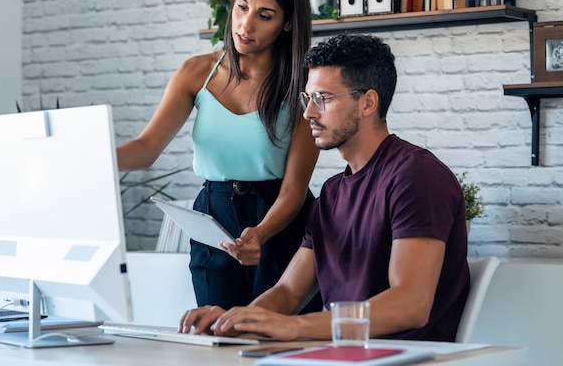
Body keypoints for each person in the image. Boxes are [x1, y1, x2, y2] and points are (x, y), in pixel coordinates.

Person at [180, 33, 470, 342]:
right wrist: (234, 323)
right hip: (341, 357)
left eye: (324, 98)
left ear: (368, 102)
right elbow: (289, 291)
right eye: (308, 98)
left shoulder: (416, 176)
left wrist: (297, 327)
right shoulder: (332, 194)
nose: (308, 113)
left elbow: (410, 305)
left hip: (404, 358)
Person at [116, 0, 322, 313]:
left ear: (287, 24)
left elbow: (294, 188)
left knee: (281, 342)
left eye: (265, 15)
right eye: (242, 7)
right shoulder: (196, 73)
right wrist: (87, 157)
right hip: (212, 220)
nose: (245, 24)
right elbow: (146, 148)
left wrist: (262, 232)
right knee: (217, 332)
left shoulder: (301, 86)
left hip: (280, 221)